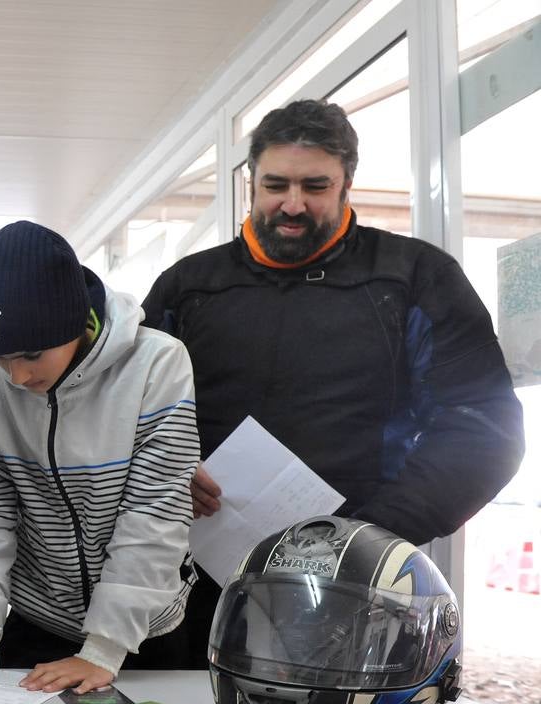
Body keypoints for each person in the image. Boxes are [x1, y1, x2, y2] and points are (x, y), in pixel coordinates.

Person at [142, 98, 524, 667]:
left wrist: (370, 536)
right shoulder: (188, 287)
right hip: (192, 583)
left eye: (314, 187)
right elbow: (124, 413)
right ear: (251, 181)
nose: (291, 205)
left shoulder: (414, 277)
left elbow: (483, 430)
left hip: (357, 588)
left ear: (347, 184)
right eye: (276, 184)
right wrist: (166, 470)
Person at [0, 220, 199, 695]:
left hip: (145, 631)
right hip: (37, 619)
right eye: (0, 358)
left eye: (31, 355)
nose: (17, 376)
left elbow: (153, 512)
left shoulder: (156, 365)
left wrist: (104, 648)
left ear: (74, 321)